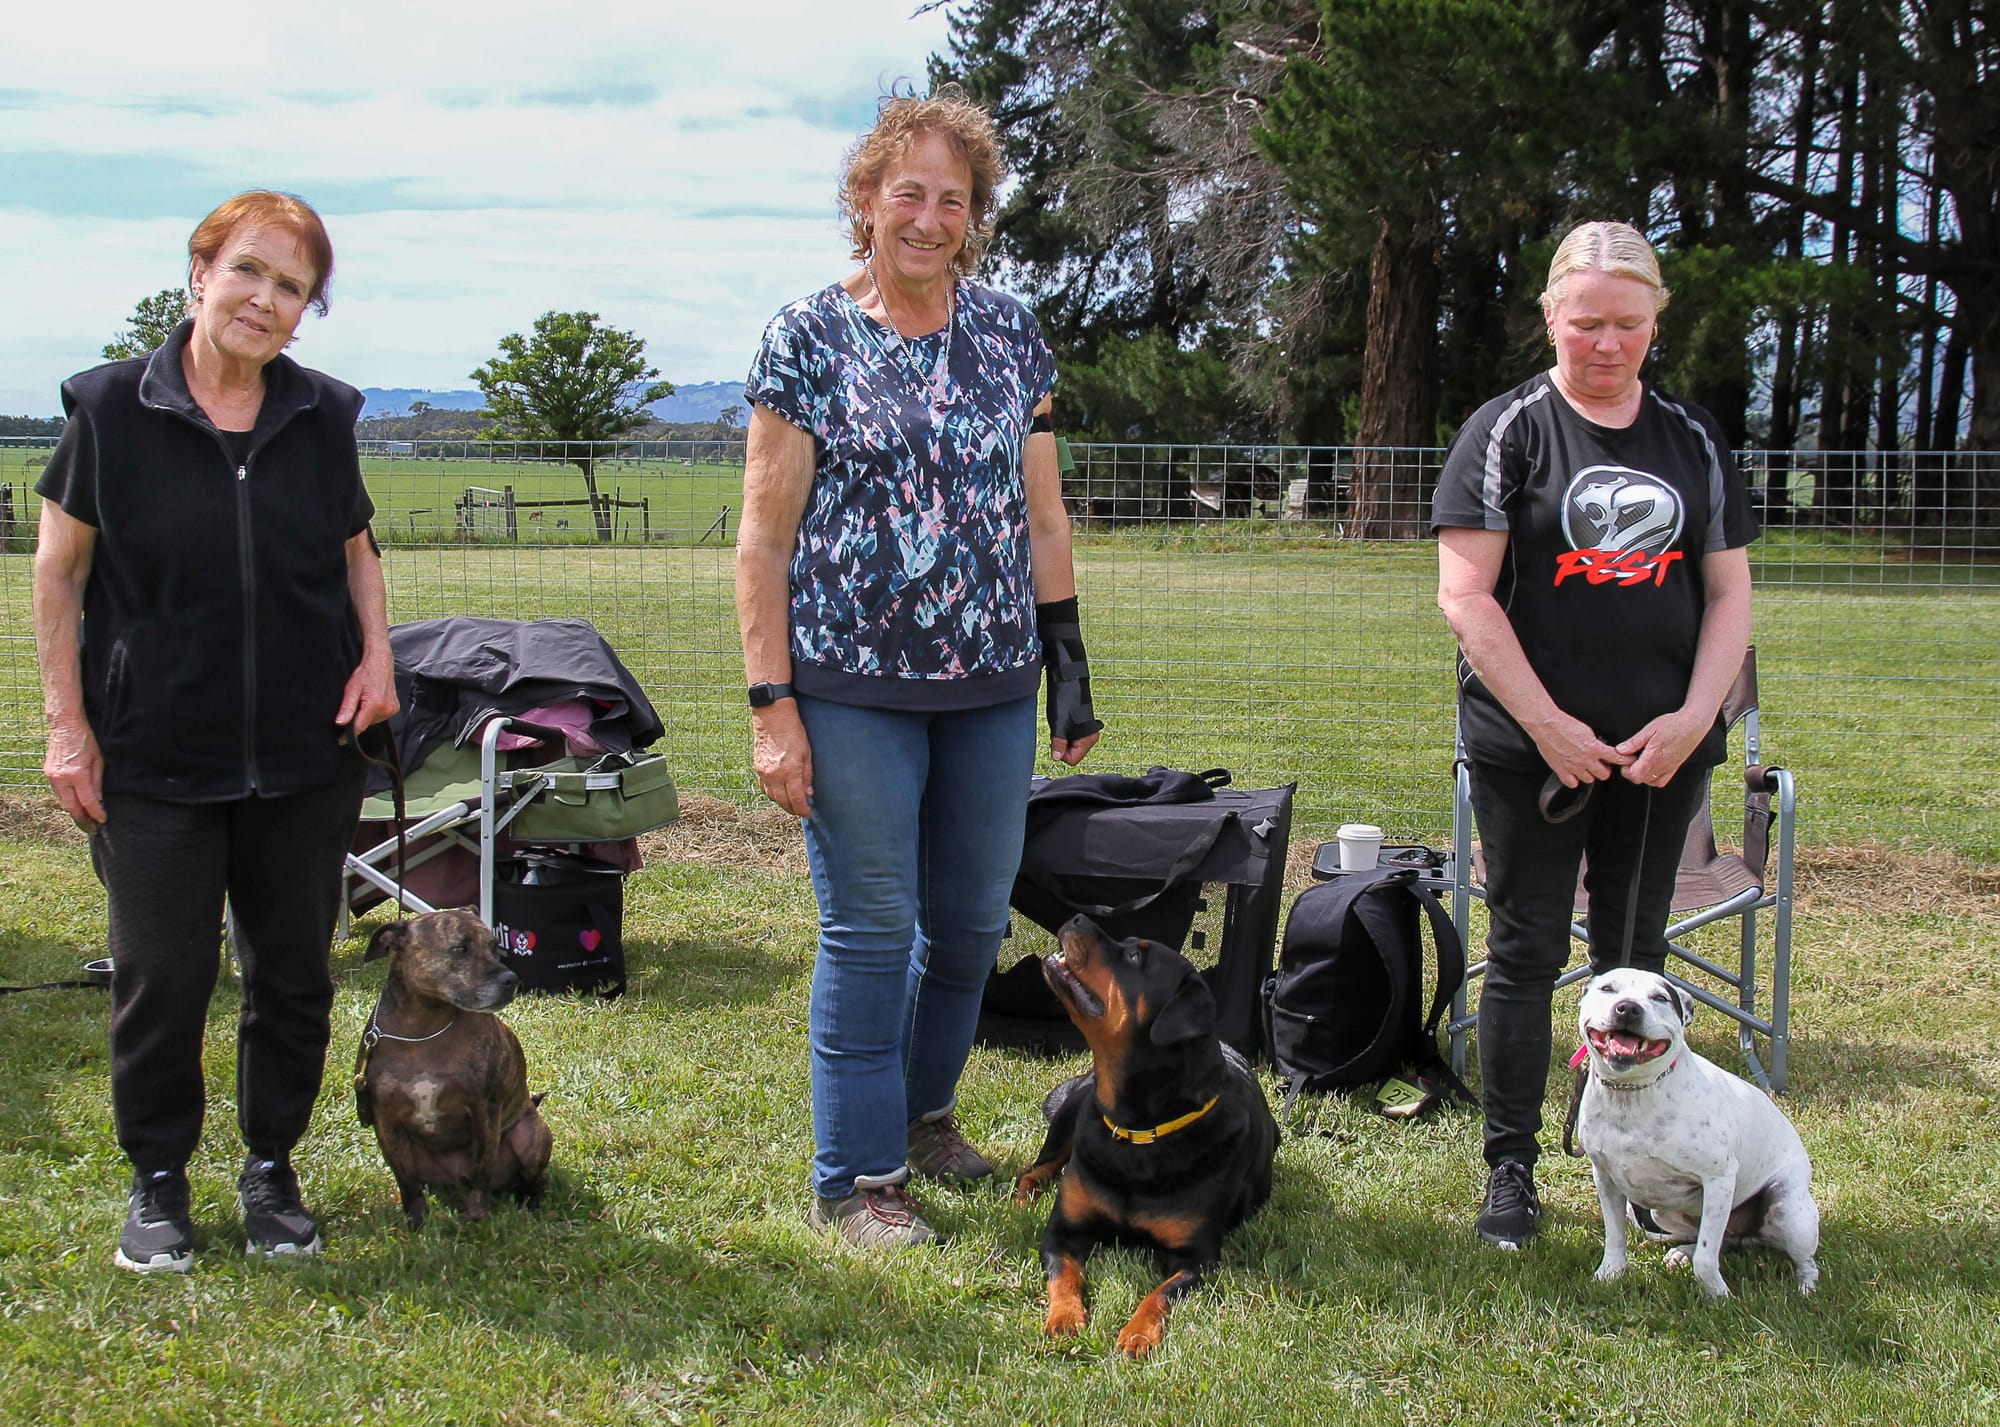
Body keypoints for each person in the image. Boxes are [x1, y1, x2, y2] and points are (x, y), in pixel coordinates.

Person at [736, 88, 1102, 1248]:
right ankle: (855, 1176)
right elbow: (763, 535)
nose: (929, 217)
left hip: (990, 682)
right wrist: (771, 705)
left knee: (967, 921)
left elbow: (1041, 516)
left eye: (953, 197)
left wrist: (1067, 664)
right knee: (871, 929)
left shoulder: (1008, 334)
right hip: (847, 684)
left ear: (973, 214)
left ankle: (926, 1115)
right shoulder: (806, 334)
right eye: (908, 192)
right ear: (866, 200)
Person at [33, 190, 397, 1273]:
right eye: (248, 270)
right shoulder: (108, 410)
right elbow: (59, 574)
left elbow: (355, 551)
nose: (264, 298)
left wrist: (378, 655)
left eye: (291, 287)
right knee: (163, 973)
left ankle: (270, 1166)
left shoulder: (322, 415)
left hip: (303, 751)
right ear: (199, 272)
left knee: (291, 972)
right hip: (155, 753)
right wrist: (67, 727)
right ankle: (157, 1178)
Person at [1431, 220, 1757, 1251]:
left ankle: (1646, 1166)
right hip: (1532, 749)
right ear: (1549, 318)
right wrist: (1547, 725)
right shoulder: (1504, 431)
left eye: (1625, 323)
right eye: (1584, 324)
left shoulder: (1691, 438)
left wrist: (1694, 717)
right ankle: (1511, 1169)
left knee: (1631, 955)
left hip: (1662, 747)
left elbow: (1729, 595)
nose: (1604, 342)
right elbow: (1465, 595)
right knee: (1525, 951)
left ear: (1654, 323)